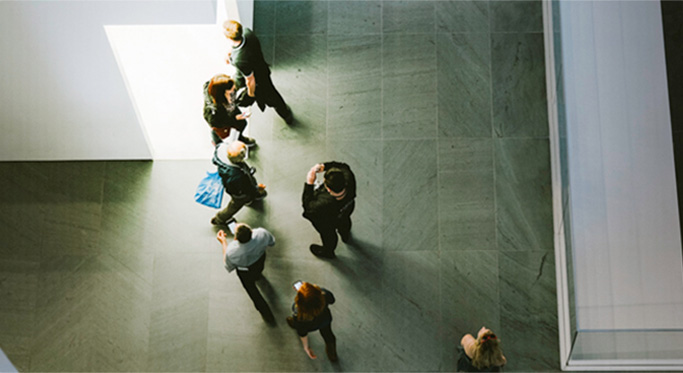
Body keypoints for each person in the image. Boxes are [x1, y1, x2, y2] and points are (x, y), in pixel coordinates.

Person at [223, 20, 293, 124]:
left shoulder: (239, 60)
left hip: (257, 78)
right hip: (261, 68)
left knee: (272, 96)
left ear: (228, 38)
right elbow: (237, 47)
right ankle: (284, 111)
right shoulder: (248, 33)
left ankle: (285, 114)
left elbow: (250, 80)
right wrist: (230, 53)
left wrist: (251, 94)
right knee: (271, 93)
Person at [216, 224, 275, 323]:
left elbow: (228, 266)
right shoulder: (261, 233)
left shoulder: (232, 251)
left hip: (245, 271)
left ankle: (266, 313)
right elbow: (272, 242)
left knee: (252, 290)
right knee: (258, 271)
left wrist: (223, 242)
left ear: (235, 238)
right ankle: (257, 276)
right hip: (259, 260)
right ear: (251, 231)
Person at [302, 161, 356, 258]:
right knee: (345, 222)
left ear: (329, 189)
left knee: (329, 236)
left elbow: (308, 208)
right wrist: (325, 166)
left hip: (327, 221)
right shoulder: (349, 178)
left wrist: (310, 184)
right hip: (346, 210)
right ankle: (345, 236)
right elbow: (343, 166)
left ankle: (328, 252)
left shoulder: (321, 204)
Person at [210, 140, 266, 226]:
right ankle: (220, 219)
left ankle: (249, 199)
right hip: (239, 194)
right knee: (235, 205)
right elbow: (246, 188)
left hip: (238, 183)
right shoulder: (237, 176)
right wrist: (257, 189)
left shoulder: (222, 149)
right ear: (239, 159)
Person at [286, 282, 338, 362]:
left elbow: (303, 333)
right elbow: (332, 300)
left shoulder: (298, 313)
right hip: (325, 320)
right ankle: (332, 354)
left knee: (298, 325)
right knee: (328, 335)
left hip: (308, 326)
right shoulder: (324, 295)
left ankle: (293, 323)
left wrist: (306, 347)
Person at [203, 73, 255, 146]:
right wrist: (235, 118)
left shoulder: (225, 90)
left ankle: (239, 137)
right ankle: (218, 143)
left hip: (228, 111)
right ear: (222, 93)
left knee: (242, 123)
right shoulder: (213, 110)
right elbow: (218, 122)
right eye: (232, 89)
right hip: (220, 120)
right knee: (221, 133)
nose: (234, 89)